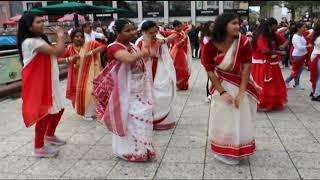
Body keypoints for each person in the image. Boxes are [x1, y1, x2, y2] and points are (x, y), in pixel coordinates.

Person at [93, 19, 156, 162]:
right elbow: (129, 59)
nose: (133, 32)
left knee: (142, 116)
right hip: (122, 91)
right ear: (117, 32)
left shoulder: (133, 45)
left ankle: (143, 150)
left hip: (137, 88)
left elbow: (149, 55)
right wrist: (145, 45)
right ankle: (127, 151)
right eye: (128, 30)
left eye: (133, 29)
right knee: (128, 119)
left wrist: (148, 44)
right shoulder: (114, 47)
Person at [202, 13, 258, 165]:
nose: (238, 26)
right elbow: (209, 70)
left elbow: (247, 67)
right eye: (234, 23)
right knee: (223, 117)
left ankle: (239, 147)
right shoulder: (210, 45)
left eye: (238, 23)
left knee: (240, 115)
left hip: (240, 84)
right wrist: (222, 92)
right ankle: (223, 149)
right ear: (223, 25)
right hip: (221, 85)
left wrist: (241, 92)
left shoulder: (244, 42)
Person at [17, 13, 72, 158]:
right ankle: (38, 147)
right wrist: (60, 35)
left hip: (49, 81)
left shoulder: (38, 40)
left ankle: (50, 135)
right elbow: (58, 52)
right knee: (45, 114)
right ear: (29, 26)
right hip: (40, 83)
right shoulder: (32, 42)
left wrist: (67, 60)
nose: (42, 23)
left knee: (58, 109)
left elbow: (53, 58)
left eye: (43, 21)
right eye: (38, 22)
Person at [136, 20, 177, 130]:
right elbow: (145, 57)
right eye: (151, 32)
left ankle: (163, 121)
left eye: (156, 31)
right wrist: (150, 44)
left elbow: (176, 34)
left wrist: (164, 40)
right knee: (151, 95)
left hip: (161, 68)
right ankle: (151, 120)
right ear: (144, 32)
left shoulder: (159, 36)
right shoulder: (140, 42)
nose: (154, 34)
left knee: (165, 92)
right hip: (147, 71)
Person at [64, 28, 106, 121]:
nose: (79, 38)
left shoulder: (90, 44)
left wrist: (91, 52)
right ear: (72, 38)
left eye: (81, 36)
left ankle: (93, 112)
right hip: (77, 75)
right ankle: (85, 113)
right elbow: (61, 58)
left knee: (91, 91)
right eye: (76, 36)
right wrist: (70, 59)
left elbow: (103, 47)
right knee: (82, 92)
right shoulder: (70, 48)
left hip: (92, 73)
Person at [251, 18, 288, 111]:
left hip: (272, 62)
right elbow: (263, 50)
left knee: (273, 84)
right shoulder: (262, 36)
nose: (278, 27)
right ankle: (262, 102)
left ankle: (272, 102)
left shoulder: (273, 34)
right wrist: (279, 52)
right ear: (271, 25)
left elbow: (286, 41)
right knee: (264, 83)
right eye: (276, 25)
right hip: (261, 63)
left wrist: (282, 46)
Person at [161, 20, 192, 90]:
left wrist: (189, 24)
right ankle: (179, 84)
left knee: (184, 69)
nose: (180, 27)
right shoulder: (174, 33)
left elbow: (189, 28)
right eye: (178, 26)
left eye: (181, 26)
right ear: (174, 27)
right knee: (179, 69)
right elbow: (176, 44)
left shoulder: (181, 31)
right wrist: (183, 40)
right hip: (176, 53)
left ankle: (182, 84)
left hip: (181, 52)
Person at [285, 22, 312, 90]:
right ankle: (287, 81)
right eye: (303, 27)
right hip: (297, 56)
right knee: (296, 71)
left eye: (305, 27)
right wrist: (307, 46)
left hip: (302, 55)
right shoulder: (295, 36)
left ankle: (296, 84)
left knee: (298, 71)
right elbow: (299, 47)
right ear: (298, 28)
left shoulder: (301, 35)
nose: (304, 29)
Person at [200, 21, 215, 103]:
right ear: (207, 28)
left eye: (214, 26)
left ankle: (213, 93)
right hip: (208, 61)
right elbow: (204, 51)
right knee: (210, 77)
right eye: (211, 26)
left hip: (216, 61)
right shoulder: (205, 38)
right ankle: (209, 94)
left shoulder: (216, 36)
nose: (213, 28)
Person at [310, 21, 320, 101]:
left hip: (315, 56)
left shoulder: (316, 35)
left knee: (316, 76)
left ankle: (314, 91)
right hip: (318, 56)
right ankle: (316, 94)